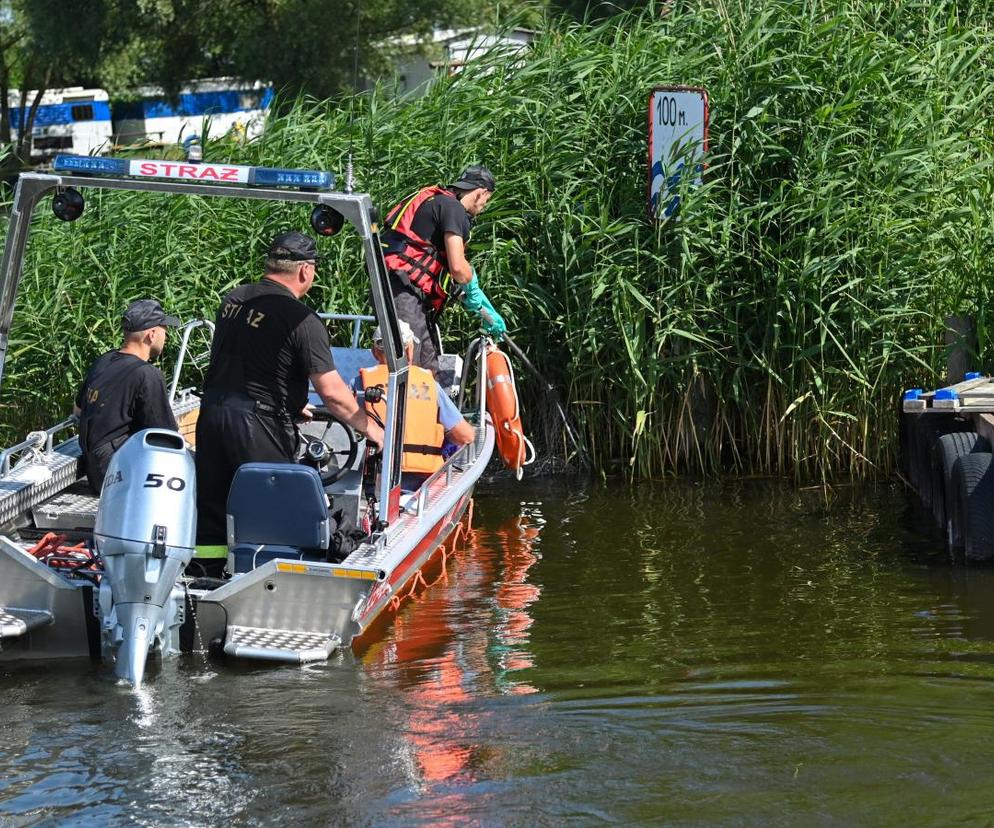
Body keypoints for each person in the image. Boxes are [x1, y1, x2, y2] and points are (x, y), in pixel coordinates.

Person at [195, 230, 385, 545]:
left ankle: (206, 573)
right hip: (256, 426)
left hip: (213, 414)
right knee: (272, 507)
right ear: (304, 270)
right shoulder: (302, 319)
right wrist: (371, 429)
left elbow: (244, 358)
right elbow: (334, 395)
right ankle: (264, 575)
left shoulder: (234, 300)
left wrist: (292, 400)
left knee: (214, 506)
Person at [380, 165, 507, 376]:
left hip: (404, 290)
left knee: (429, 371)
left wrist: (478, 303)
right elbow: (458, 267)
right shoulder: (454, 208)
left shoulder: (438, 202)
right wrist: (475, 291)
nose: (485, 205)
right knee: (412, 366)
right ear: (481, 193)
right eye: (487, 199)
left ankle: (431, 409)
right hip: (403, 290)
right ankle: (402, 408)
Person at [74, 299, 181, 492]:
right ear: (152, 334)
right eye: (165, 330)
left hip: (97, 471)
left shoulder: (104, 360)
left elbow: (78, 410)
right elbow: (167, 439)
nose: (166, 336)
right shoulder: (147, 374)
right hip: (121, 476)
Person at [359, 320, 475, 488]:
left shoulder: (359, 383)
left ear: (374, 352)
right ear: (409, 350)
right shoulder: (429, 385)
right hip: (419, 484)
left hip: (371, 478)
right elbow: (466, 436)